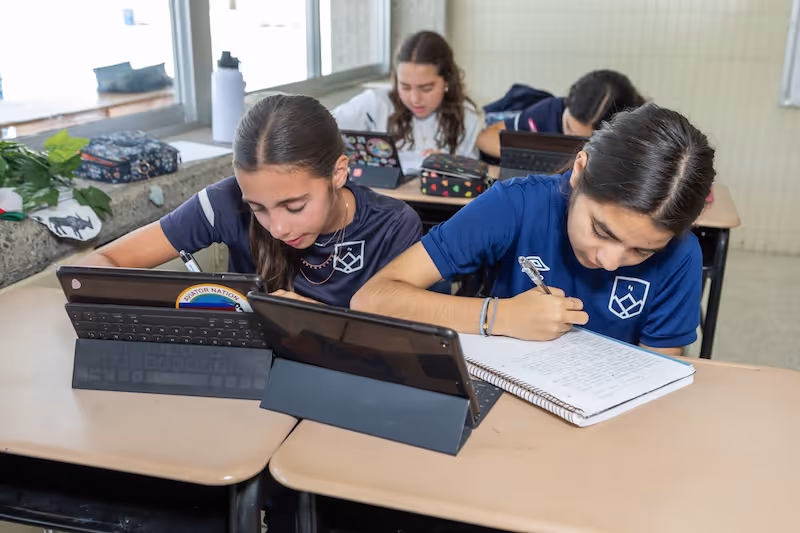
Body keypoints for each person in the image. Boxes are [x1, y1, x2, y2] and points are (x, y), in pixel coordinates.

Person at [352, 104, 716, 356]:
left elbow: (657, 374)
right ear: (578, 171)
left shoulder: (681, 255)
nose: (609, 262)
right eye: (601, 232)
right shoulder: (515, 205)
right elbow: (373, 298)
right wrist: (499, 316)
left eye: (642, 252)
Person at [79, 94, 422, 308]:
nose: (277, 228)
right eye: (257, 208)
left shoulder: (394, 226)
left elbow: (413, 343)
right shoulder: (225, 201)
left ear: (338, 173)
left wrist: (319, 323)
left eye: (295, 206)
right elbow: (101, 261)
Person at [333, 30, 481, 166]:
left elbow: (476, 176)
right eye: (405, 87)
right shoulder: (374, 103)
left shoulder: (466, 116)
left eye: (426, 88)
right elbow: (320, 127)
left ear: (447, 81)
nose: (415, 99)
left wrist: (452, 164)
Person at [476, 69, 645, 158]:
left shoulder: (629, 142)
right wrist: (537, 158)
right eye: (568, 126)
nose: (569, 140)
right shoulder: (551, 111)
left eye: (583, 140)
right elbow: (486, 138)